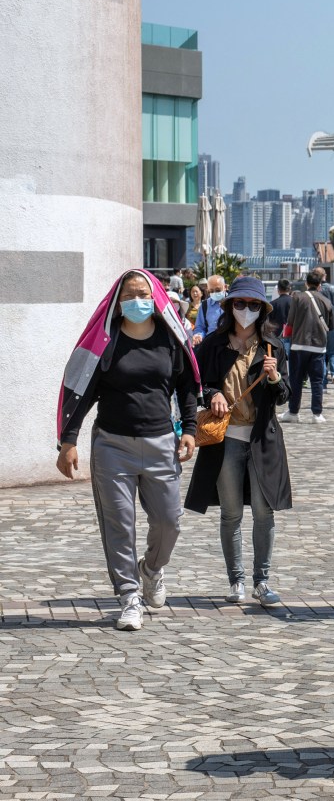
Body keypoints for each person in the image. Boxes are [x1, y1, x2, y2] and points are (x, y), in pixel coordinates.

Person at [56, 269, 199, 631]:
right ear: (118, 302)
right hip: (112, 446)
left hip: (160, 442)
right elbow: (82, 389)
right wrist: (68, 441)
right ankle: (129, 596)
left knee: (170, 521)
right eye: (130, 295)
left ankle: (151, 570)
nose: (138, 301)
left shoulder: (170, 340)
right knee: (119, 524)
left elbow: (186, 386)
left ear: (157, 299)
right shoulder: (106, 341)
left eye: (144, 294)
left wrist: (190, 429)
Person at [184, 276, 292, 606]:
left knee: (264, 512)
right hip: (225, 440)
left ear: (263, 309)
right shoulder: (214, 344)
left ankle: (262, 581)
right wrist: (213, 394)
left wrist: (274, 378)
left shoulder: (273, 346)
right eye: (240, 303)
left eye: (254, 305)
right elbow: (198, 385)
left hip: (263, 439)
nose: (246, 310)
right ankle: (237, 581)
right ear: (230, 306)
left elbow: (285, 396)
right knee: (231, 513)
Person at [280, 270, 334, 424]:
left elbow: (290, 321)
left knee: (296, 380)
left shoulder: (298, 297)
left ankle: (293, 412)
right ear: (319, 285)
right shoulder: (326, 301)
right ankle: (317, 414)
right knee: (317, 381)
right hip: (318, 347)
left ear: (306, 283)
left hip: (298, 345)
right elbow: (331, 326)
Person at [192, 274, 227, 343]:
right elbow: (200, 326)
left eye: (217, 290)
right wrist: (199, 335)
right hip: (211, 345)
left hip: (231, 345)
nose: (214, 293)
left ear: (225, 287)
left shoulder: (234, 302)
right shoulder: (205, 305)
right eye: (211, 291)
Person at [268, 279, 292, 356]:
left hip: (277, 337)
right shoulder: (296, 302)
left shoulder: (272, 304)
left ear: (278, 290)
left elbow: (268, 323)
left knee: (280, 362)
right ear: (289, 289)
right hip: (294, 338)